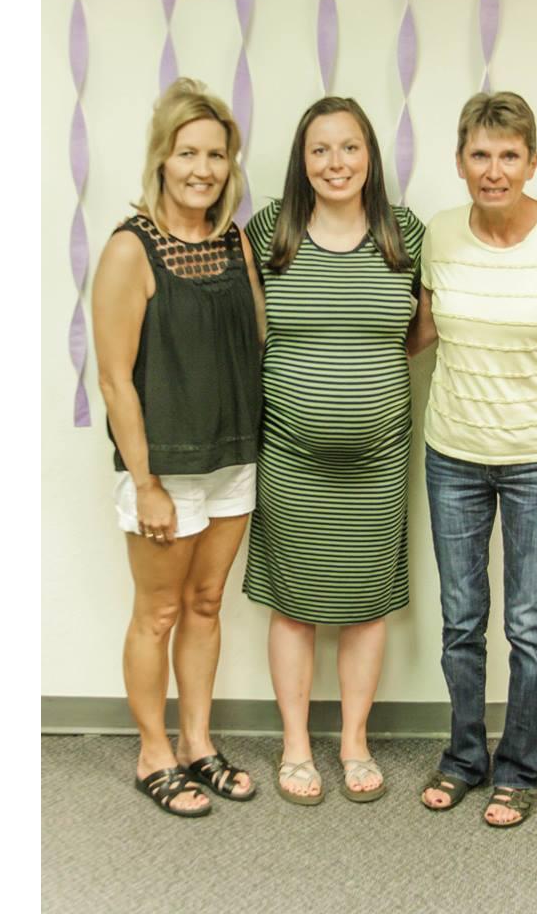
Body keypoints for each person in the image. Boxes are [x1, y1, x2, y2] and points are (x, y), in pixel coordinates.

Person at [408, 91, 537, 828]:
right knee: (462, 621)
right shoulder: (440, 233)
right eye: (481, 155)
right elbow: (421, 332)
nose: (494, 170)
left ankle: (519, 770)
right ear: (460, 161)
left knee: (528, 624)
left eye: (509, 155)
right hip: (452, 455)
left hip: (535, 462)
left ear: (531, 161)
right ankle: (463, 758)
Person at [242, 97, 425, 805]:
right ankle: (295, 745)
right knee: (293, 604)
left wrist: (359, 380)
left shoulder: (402, 234)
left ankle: (353, 742)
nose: (336, 163)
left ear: (370, 156)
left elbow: (419, 330)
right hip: (289, 454)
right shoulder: (270, 233)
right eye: (320, 150)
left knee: (365, 604)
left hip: (380, 459)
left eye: (349, 148)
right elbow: (253, 331)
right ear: (302, 160)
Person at [92, 78, 265, 817]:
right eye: (187, 152)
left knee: (204, 604)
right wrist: (148, 482)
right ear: (161, 158)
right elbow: (114, 380)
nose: (203, 168)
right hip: (163, 468)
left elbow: (256, 341)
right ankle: (153, 753)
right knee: (156, 614)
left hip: (232, 462)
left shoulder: (236, 242)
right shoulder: (131, 249)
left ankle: (198, 743)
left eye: (216, 155)